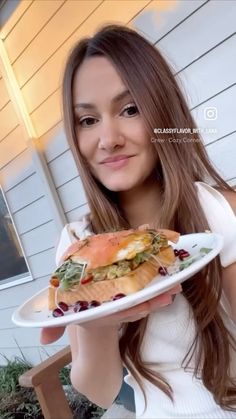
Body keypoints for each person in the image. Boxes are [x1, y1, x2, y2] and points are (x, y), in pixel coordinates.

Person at [41, 24, 236, 418]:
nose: (108, 139)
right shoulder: (78, 244)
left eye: (129, 110)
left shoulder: (217, 210)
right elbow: (100, 390)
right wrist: (94, 322)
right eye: (87, 120)